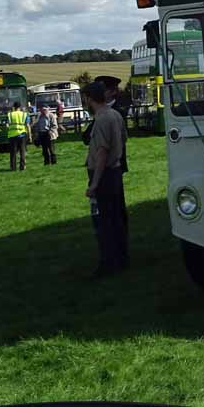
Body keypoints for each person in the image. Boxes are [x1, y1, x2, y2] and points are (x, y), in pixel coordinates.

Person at [82, 82, 129, 277]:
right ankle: (121, 257)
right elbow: (123, 139)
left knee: (104, 221)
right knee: (117, 217)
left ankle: (108, 262)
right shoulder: (115, 115)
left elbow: (102, 152)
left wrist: (94, 184)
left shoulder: (101, 119)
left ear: (89, 98)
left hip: (104, 175)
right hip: (115, 171)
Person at [6, 102, 31, 171]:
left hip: (12, 135)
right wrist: (30, 136)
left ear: (14, 107)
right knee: (22, 151)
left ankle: (13, 167)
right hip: (22, 135)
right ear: (20, 107)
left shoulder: (10, 114)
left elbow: (7, 125)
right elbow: (28, 125)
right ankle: (22, 167)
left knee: (13, 152)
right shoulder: (24, 114)